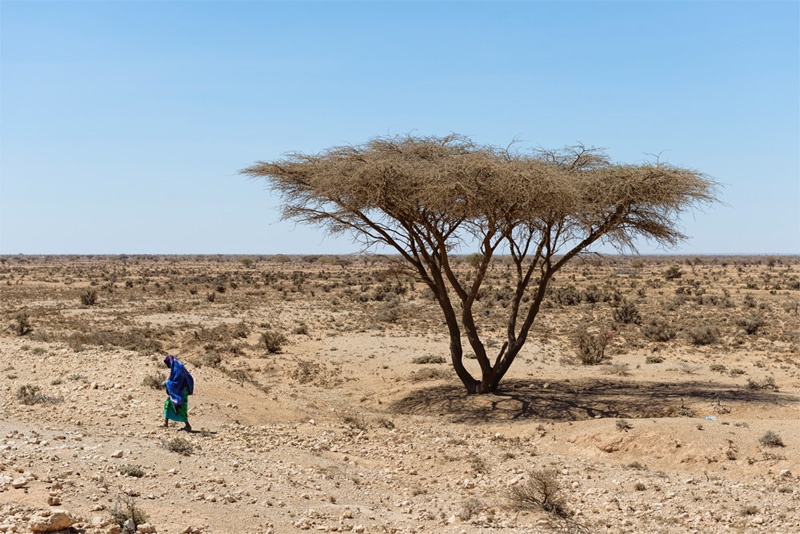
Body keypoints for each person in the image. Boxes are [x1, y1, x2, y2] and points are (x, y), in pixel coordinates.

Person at [162, 354, 194, 431]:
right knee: (168, 403)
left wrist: (168, 384)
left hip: (181, 391)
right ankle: (165, 423)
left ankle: (188, 426)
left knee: (181, 407)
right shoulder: (177, 365)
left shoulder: (177, 367)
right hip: (178, 390)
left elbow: (177, 380)